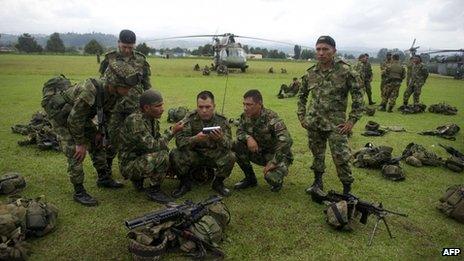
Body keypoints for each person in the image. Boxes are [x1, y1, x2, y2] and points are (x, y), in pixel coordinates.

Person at [49, 61, 139, 206]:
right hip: (63, 117)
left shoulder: (115, 93)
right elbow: (73, 119)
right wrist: (80, 143)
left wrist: (99, 132)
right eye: (126, 88)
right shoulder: (89, 90)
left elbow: (108, 113)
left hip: (81, 117)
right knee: (75, 152)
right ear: (113, 83)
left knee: (98, 144)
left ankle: (103, 178)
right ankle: (79, 191)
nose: (128, 91)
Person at [297, 36, 364, 195]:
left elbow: (358, 99)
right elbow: (301, 96)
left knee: (341, 158)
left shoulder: (346, 71)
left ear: (334, 51)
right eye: (318, 49)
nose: (321, 53)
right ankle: (317, 182)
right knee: (317, 155)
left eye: (325, 49)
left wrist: (351, 121)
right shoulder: (311, 73)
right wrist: (302, 116)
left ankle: (347, 190)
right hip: (314, 123)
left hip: (337, 125)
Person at [99, 29, 152, 176]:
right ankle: (107, 168)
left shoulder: (141, 60)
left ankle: (137, 169)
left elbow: (147, 84)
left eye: (130, 47)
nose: (127, 50)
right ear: (118, 44)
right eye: (124, 47)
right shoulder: (109, 59)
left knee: (136, 137)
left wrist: (150, 103)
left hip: (135, 106)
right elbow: (103, 84)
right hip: (114, 106)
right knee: (112, 137)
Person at [119, 90, 183, 203]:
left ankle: (138, 179)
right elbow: (153, 146)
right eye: (158, 106)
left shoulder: (152, 119)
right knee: (162, 156)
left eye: (162, 105)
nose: (162, 108)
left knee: (165, 154)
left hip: (140, 157)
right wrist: (172, 131)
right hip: (129, 165)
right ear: (147, 107)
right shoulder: (135, 121)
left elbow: (158, 141)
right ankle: (154, 189)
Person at [170, 91, 235, 198]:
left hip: (213, 154)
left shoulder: (221, 120)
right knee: (175, 154)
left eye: (207, 107)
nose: (204, 110)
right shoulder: (189, 119)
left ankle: (218, 183)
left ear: (214, 106)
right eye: (200, 107)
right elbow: (180, 143)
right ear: (197, 106)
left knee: (231, 156)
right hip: (194, 154)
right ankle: (185, 183)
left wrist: (220, 138)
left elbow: (229, 145)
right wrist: (195, 139)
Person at [233, 90, 293, 192]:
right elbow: (239, 132)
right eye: (244, 104)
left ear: (259, 104)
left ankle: (277, 179)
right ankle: (250, 179)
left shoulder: (271, 118)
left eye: (249, 104)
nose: (245, 108)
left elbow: (287, 140)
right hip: (259, 152)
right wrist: (248, 138)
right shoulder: (244, 116)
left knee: (271, 178)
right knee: (236, 145)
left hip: (276, 156)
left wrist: (274, 162)